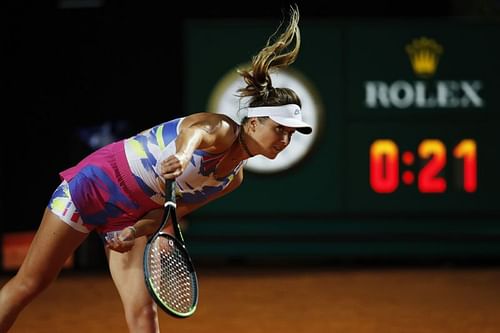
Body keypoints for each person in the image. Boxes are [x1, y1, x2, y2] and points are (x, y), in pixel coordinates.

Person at [0, 5, 311, 333]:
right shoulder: (223, 129)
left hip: (129, 217)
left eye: (291, 133)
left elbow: (172, 213)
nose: (286, 138)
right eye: (280, 128)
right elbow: (194, 134)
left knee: (144, 312)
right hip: (91, 187)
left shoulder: (233, 180)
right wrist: (181, 155)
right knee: (31, 283)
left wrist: (132, 232)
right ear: (254, 122)